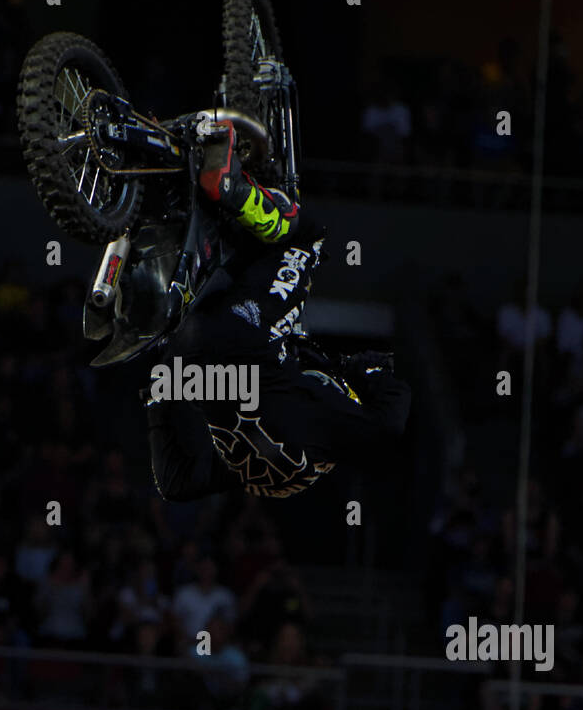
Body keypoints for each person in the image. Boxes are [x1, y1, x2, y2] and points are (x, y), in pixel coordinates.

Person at [143, 119, 411, 500]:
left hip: (242, 343)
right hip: (184, 362)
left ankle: (231, 189)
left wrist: (369, 371)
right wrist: (158, 398)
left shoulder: (336, 430)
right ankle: (162, 189)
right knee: (252, 275)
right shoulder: (267, 466)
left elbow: (390, 425)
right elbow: (174, 485)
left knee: (308, 237)